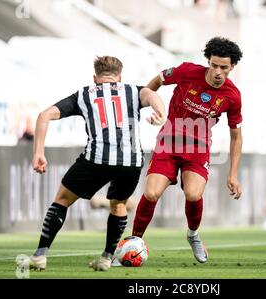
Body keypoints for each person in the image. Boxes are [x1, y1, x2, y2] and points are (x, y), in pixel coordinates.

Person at [18, 56, 166, 272]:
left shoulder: (85, 94)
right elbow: (151, 95)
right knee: (119, 204)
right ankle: (106, 258)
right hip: (131, 161)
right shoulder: (133, 91)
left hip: (97, 158)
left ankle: (40, 255)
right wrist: (160, 115)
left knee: (62, 199)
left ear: (95, 77)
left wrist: (38, 152)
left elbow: (44, 116)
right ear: (120, 77)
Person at [132, 37, 243, 263]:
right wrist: (144, 107)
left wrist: (232, 174)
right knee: (151, 193)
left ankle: (193, 235)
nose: (218, 72)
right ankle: (133, 242)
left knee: (193, 194)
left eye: (223, 67)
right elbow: (155, 83)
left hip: (198, 150)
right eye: (213, 65)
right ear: (208, 62)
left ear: (232, 67)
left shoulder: (233, 96)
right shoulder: (186, 71)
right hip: (168, 143)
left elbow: (236, 137)